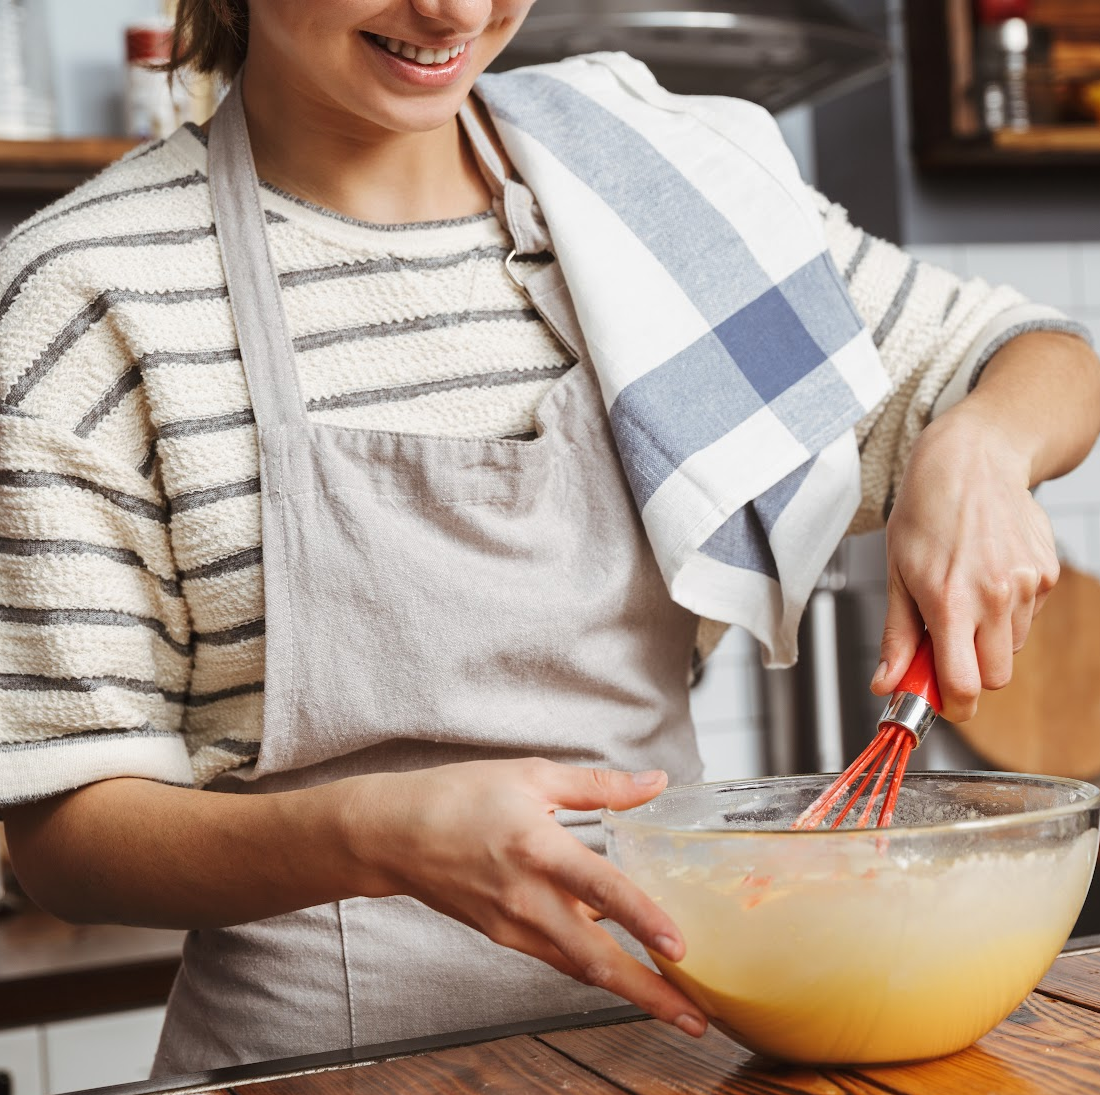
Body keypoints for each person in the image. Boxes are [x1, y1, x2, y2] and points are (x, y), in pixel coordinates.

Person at [1, 0, 1098, 1077]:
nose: (452, 9)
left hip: (691, 1040)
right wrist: (372, 837)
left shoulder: (647, 193)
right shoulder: (91, 293)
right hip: (326, 1062)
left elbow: (1030, 352)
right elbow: (64, 839)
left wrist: (980, 450)